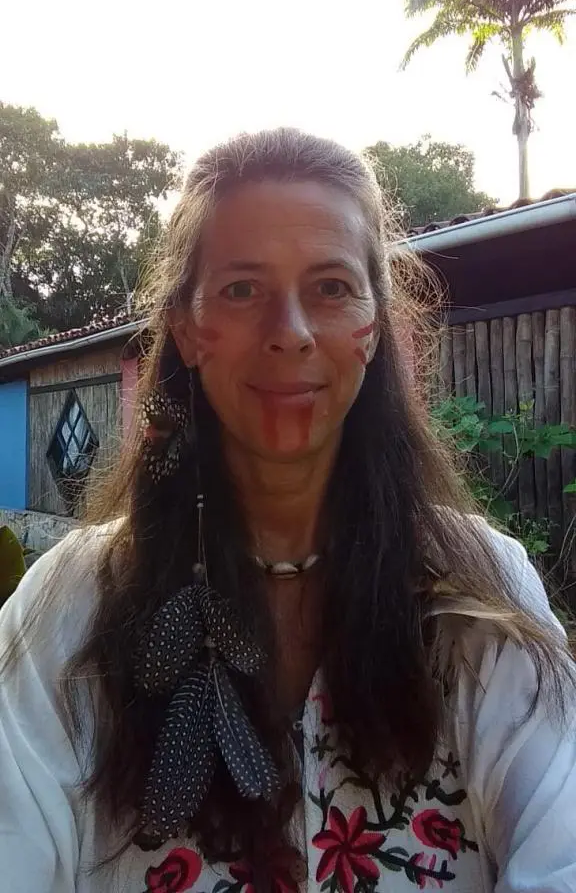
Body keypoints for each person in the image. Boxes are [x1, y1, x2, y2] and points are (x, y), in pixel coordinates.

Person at [0, 128, 575, 893]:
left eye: (332, 287)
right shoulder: (67, 614)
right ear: (184, 327)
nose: (292, 334)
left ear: (374, 327)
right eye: (242, 290)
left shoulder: (480, 599)